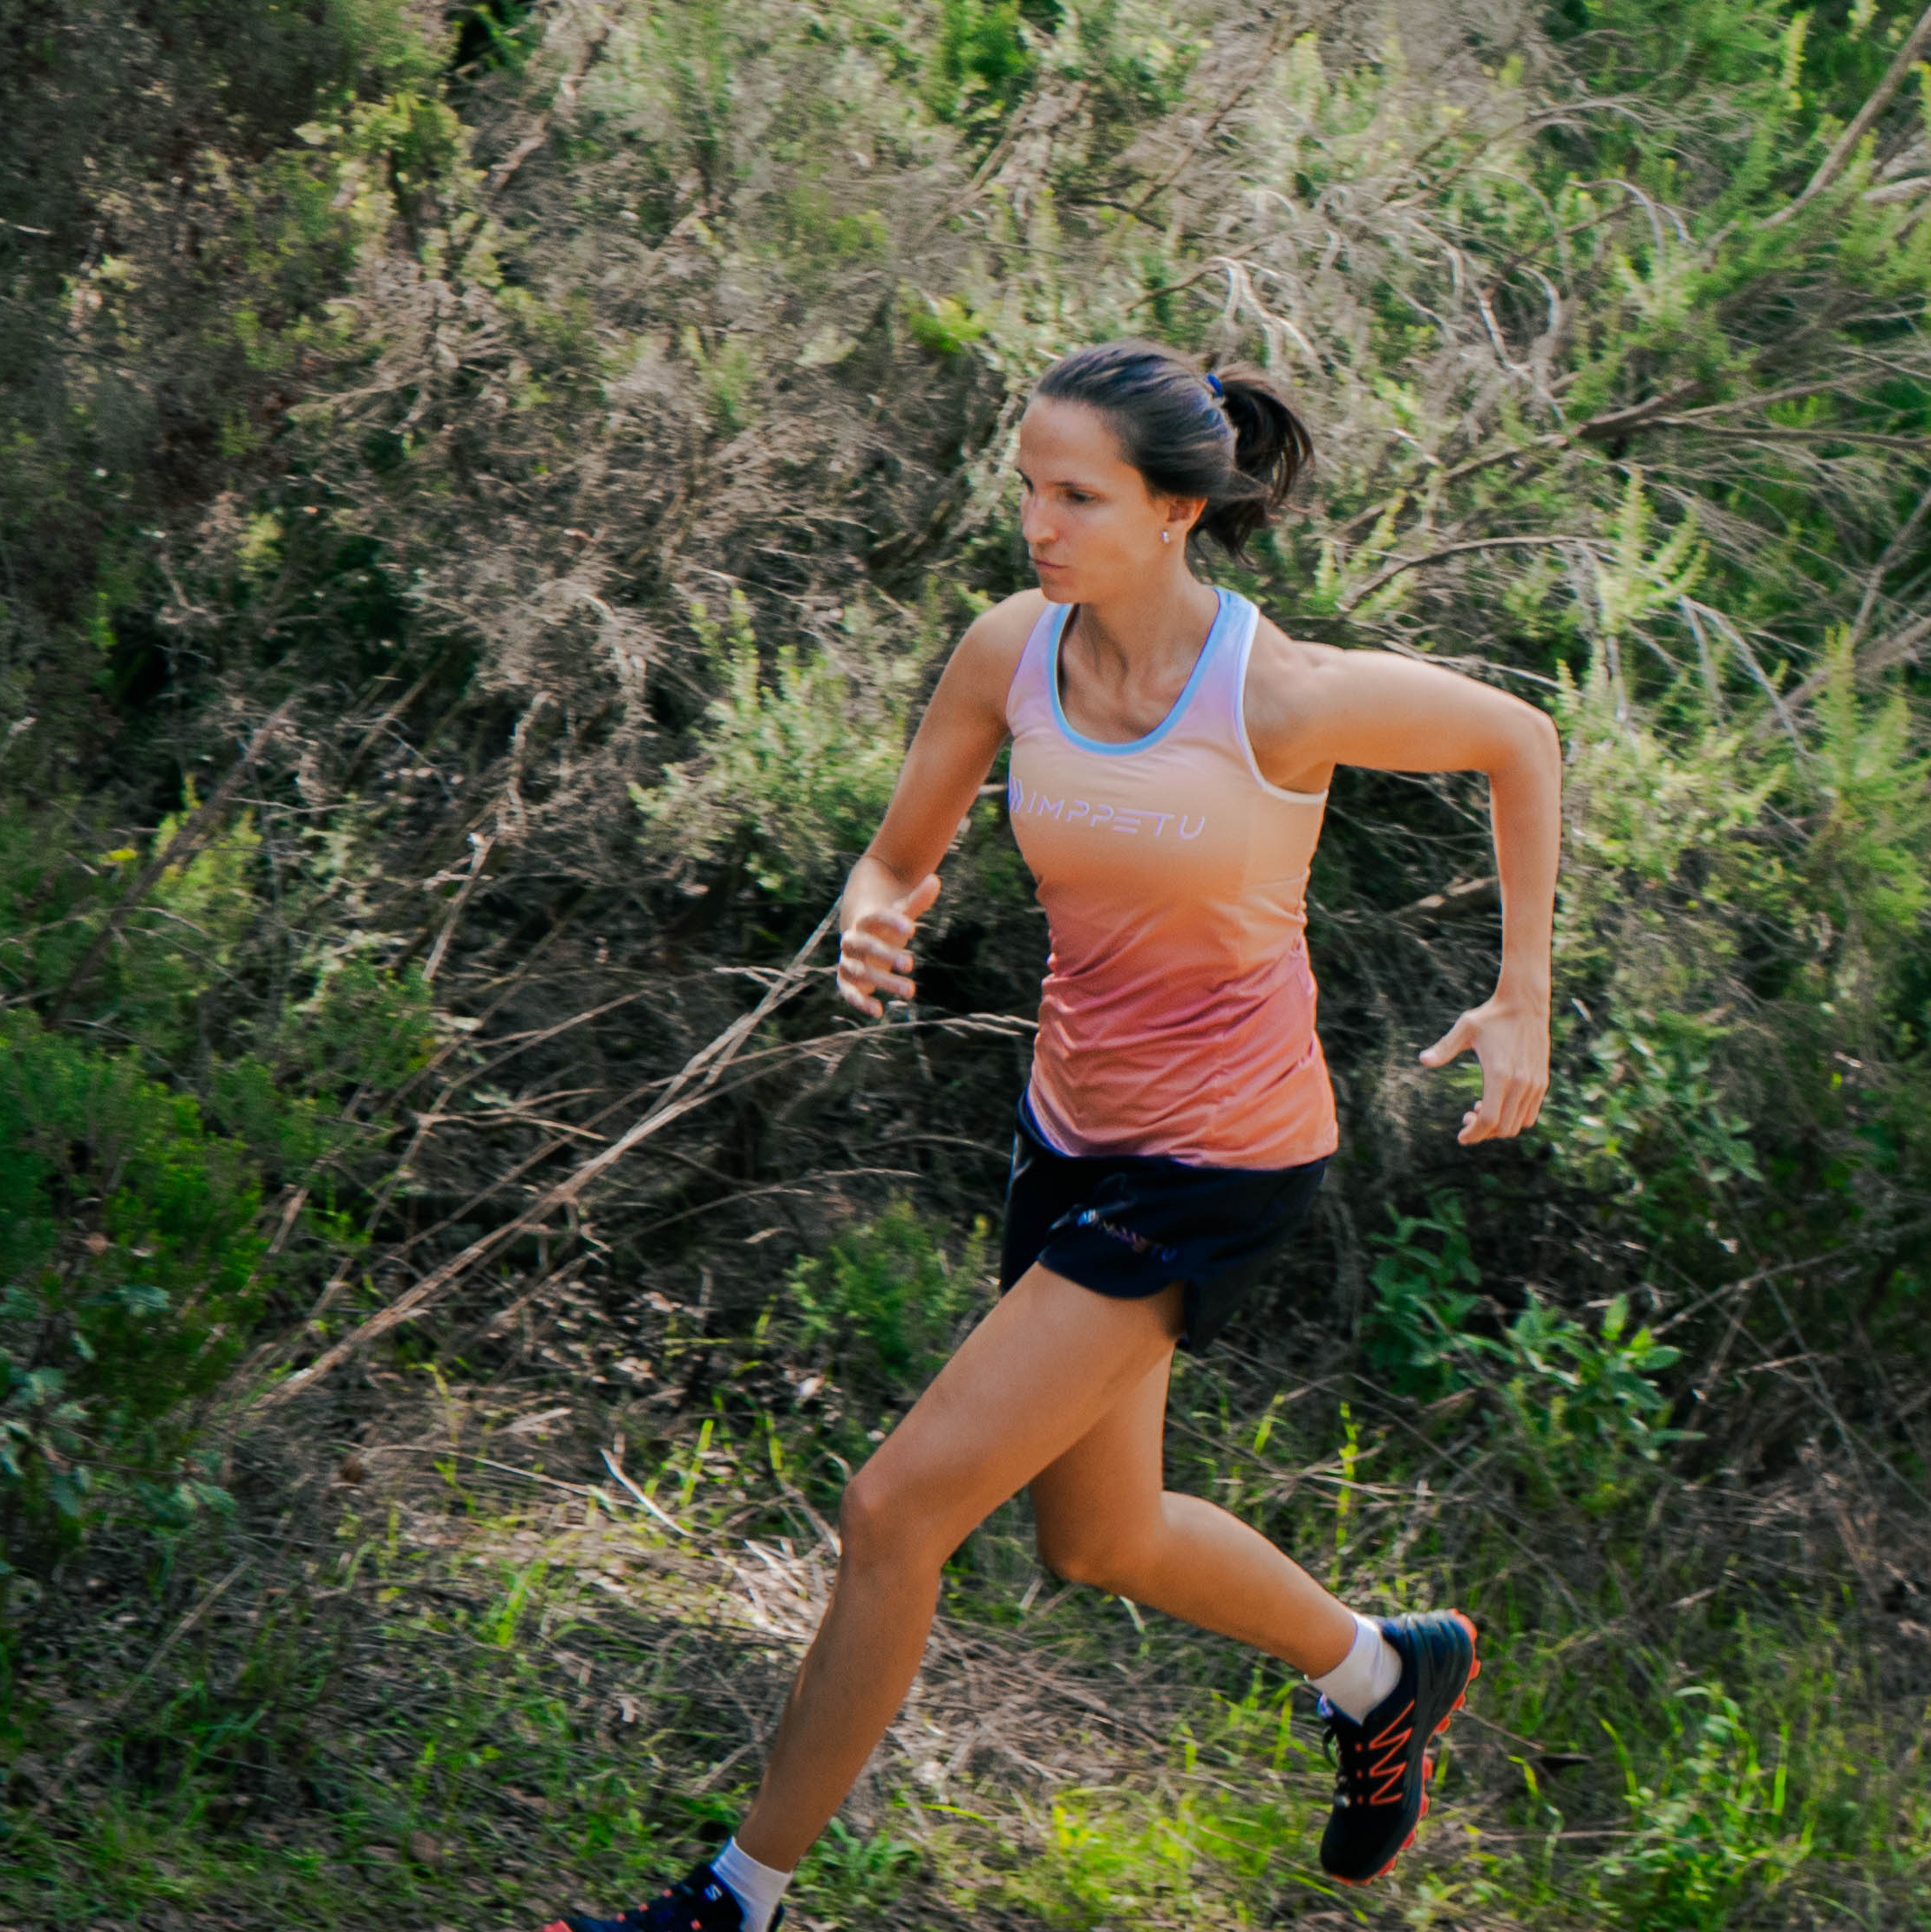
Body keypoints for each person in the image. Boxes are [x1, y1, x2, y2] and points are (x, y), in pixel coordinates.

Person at [542, 341, 1560, 1932]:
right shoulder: (1012, 653)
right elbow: (895, 861)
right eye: (1028, 486)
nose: (1038, 522)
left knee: (896, 1511)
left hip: (1221, 1158)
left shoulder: (1275, 695)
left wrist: (1523, 998)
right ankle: (1380, 1674)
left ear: (1177, 510)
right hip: (1070, 1129)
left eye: (1077, 495)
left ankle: (733, 1905)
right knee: (1102, 1536)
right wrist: (871, 919)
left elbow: (1520, 738)